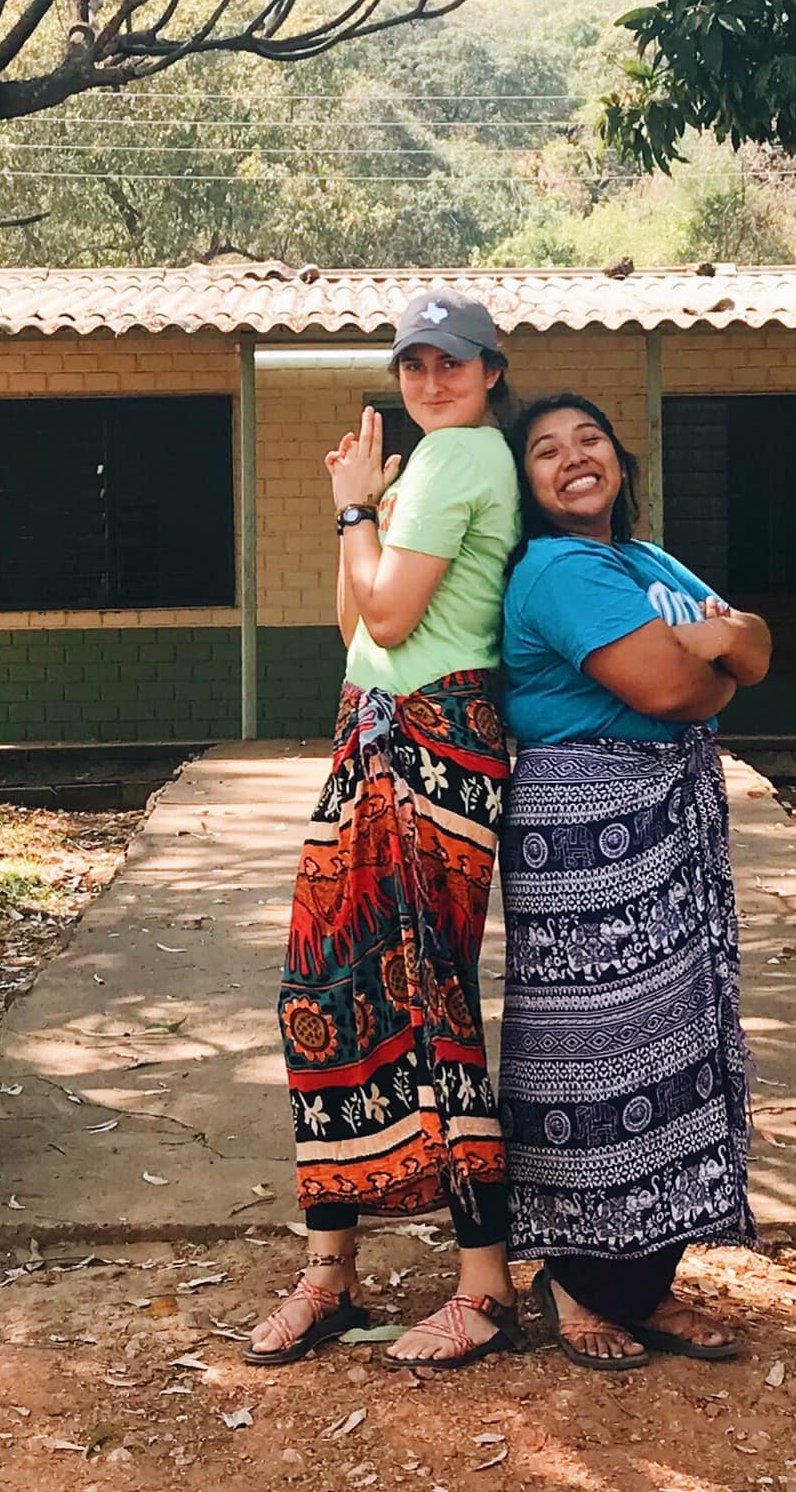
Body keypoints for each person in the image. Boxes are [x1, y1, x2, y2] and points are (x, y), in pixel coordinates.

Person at [247, 289, 525, 1371]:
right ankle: (331, 1268)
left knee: (424, 995)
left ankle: (483, 1284)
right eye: (413, 362)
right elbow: (350, 620)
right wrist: (352, 502)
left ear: (489, 368)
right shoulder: (421, 466)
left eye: (451, 361)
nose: (429, 378)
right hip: (370, 735)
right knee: (328, 994)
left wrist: (359, 513)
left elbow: (394, 617)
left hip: (431, 742)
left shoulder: (460, 459)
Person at [496, 392, 771, 1371]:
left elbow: (757, 644)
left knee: (673, 1044)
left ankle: (649, 1283)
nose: (573, 459)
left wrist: (727, 650)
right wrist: (713, 658)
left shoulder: (648, 561)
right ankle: (574, 1283)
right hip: (586, 832)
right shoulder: (554, 568)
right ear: (524, 483)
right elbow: (672, 687)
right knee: (593, 1048)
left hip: (668, 821)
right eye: (544, 451)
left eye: (589, 440)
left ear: (619, 457)